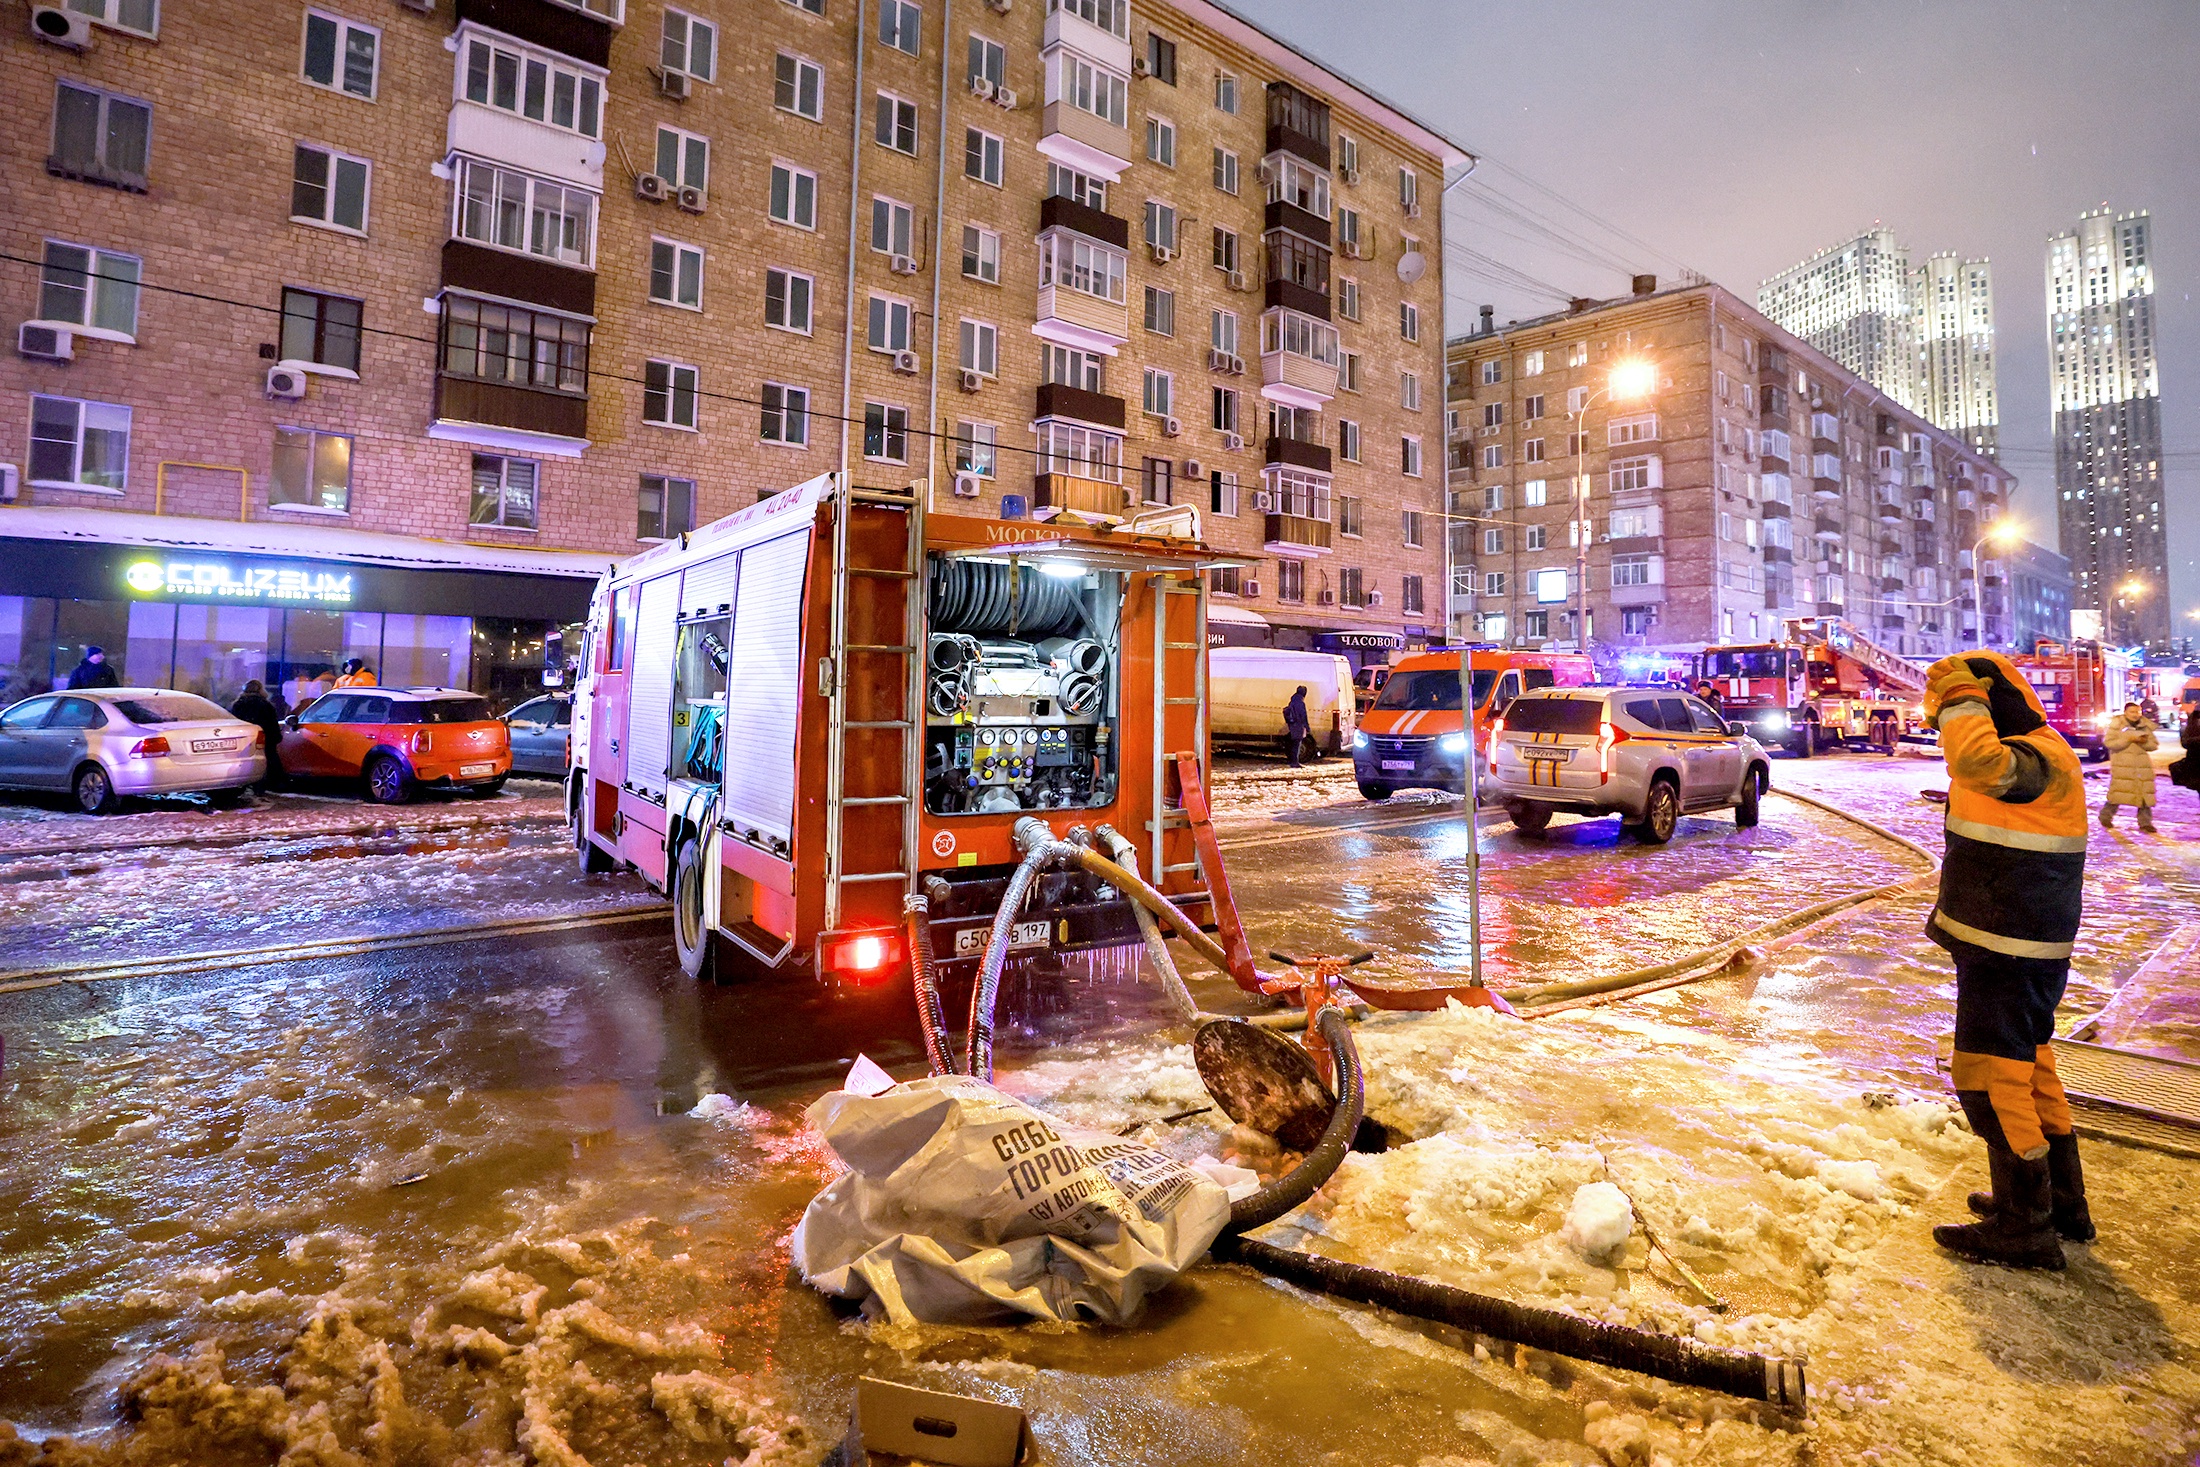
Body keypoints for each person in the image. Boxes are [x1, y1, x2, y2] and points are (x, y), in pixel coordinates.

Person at [1920, 652, 2092, 1271]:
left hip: (2007, 946)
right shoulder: (2043, 753)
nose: (1941, 719)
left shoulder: (2034, 756)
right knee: (2031, 1069)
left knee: (1990, 1077)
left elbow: (1977, 761)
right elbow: (1990, 788)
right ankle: (2060, 1205)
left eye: (1951, 709)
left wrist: (1961, 696)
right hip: (2018, 945)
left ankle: (2024, 1226)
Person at [2101, 702, 2159, 832]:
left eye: (2138, 712)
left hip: (2142, 766)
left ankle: (2145, 823)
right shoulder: (2117, 724)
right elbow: (2109, 743)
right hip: (2122, 765)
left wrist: (2143, 742)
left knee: (2144, 795)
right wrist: (2128, 739)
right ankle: (2105, 816)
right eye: (2132, 712)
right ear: (2125, 712)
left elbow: (2153, 745)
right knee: (2118, 793)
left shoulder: (2144, 726)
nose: (2136, 715)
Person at [231, 680, 287, 791]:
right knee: (269, 759)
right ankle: (271, 784)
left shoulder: (238, 704)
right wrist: (276, 737)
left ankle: (249, 784)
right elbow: (271, 723)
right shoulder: (265, 704)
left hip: (245, 738)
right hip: (265, 737)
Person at [1283, 684, 1312, 768]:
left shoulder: (1293, 700)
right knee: (1297, 744)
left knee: (1294, 743)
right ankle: (1295, 762)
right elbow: (1303, 715)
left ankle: (1293, 761)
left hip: (1292, 724)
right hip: (1298, 725)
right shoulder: (1300, 702)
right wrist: (1307, 726)